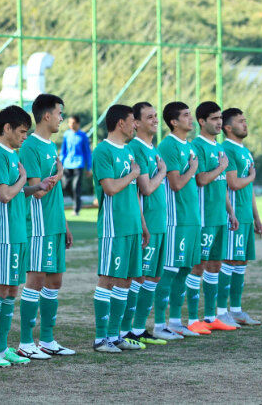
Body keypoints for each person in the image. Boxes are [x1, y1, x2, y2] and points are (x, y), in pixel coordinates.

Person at [0, 105, 53, 367]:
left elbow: (17, 192)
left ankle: (2, 347)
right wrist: (23, 178)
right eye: (21, 131)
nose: (25, 136)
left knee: (11, 290)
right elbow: (5, 194)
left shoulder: (10, 154)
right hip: (4, 233)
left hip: (18, 233)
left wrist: (37, 186)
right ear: (6, 128)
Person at [16, 93, 75, 359]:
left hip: (54, 224)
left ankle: (48, 340)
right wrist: (61, 173)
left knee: (55, 281)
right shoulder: (30, 147)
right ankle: (26, 342)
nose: (62, 118)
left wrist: (64, 224)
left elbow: (54, 192)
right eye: (59, 113)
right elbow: (38, 190)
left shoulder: (51, 146)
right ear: (47, 115)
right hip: (38, 226)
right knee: (36, 281)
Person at [91, 104, 149, 353]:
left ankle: (115, 336)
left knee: (125, 280)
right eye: (132, 121)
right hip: (114, 227)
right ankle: (100, 338)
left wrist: (143, 225)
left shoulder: (127, 151)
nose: (136, 125)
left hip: (133, 226)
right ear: (120, 123)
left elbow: (134, 193)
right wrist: (134, 173)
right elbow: (110, 188)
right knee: (108, 279)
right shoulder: (102, 151)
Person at [124, 102, 180, 344]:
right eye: (150, 117)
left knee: (154, 278)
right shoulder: (136, 148)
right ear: (135, 123)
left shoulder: (153, 149)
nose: (155, 120)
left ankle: (139, 329)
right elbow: (145, 189)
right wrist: (163, 173)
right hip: (147, 224)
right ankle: (127, 329)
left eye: (156, 116)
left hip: (161, 223)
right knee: (139, 278)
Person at [188, 101, 239, 331]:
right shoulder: (196, 146)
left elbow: (221, 186)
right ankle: (191, 320)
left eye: (220, 118)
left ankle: (210, 317)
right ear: (202, 121)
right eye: (214, 118)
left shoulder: (218, 147)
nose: (219, 122)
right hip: (204, 216)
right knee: (198, 266)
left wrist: (231, 212)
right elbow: (201, 179)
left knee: (215, 265)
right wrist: (221, 168)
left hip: (219, 216)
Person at [156, 101, 203, 337]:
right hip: (176, 218)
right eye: (186, 116)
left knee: (185, 269)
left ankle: (175, 321)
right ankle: (158, 325)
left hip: (192, 218)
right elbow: (175, 184)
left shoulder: (189, 146)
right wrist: (193, 168)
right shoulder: (169, 145)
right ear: (174, 122)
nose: (190, 119)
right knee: (170, 269)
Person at [220, 108, 262, 326]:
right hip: (233, 215)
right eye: (240, 121)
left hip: (246, 215)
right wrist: (252, 175)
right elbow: (233, 183)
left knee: (241, 261)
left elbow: (249, 187)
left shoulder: (244, 150)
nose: (245, 124)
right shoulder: (227, 149)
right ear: (228, 127)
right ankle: (221, 312)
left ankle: (236, 310)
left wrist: (256, 216)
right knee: (229, 260)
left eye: (245, 121)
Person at [59, 115, 92, 216]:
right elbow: (63, 151)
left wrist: (89, 167)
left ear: (78, 124)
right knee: (65, 185)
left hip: (79, 164)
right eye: (69, 123)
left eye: (73, 123)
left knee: (75, 187)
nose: (71, 125)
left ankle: (76, 209)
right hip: (67, 165)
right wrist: (60, 163)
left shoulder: (83, 136)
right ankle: (78, 201)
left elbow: (87, 152)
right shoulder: (66, 134)